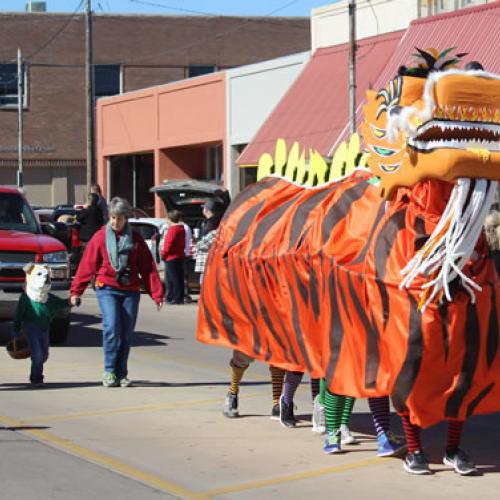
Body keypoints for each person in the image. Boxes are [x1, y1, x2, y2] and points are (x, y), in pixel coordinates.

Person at [70, 197, 164, 388]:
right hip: (107, 288)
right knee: (112, 328)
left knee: (126, 333)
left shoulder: (135, 239)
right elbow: (87, 265)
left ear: (126, 218)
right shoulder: (100, 236)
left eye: (119, 218)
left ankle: (122, 373)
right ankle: (109, 371)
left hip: (130, 291)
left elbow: (147, 268)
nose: (115, 222)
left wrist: (157, 294)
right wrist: (76, 291)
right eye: (113, 217)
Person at [12, 263, 71, 387]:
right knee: (38, 354)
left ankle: (36, 363)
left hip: (45, 329)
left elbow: (62, 303)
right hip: (30, 328)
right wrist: (16, 330)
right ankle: (36, 377)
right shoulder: (26, 298)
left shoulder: (49, 298)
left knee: (44, 354)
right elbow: (19, 315)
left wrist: (72, 301)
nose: (45, 279)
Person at [194, 199, 223, 283]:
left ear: (206, 210)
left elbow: (203, 243)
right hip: (208, 260)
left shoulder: (212, 223)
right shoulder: (214, 221)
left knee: (204, 283)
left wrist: (196, 242)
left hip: (208, 260)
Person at [161, 210, 185, 305]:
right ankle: (180, 297)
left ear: (170, 219)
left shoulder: (172, 230)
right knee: (179, 278)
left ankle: (176, 298)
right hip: (179, 256)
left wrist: (163, 254)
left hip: (171, 257)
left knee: (173, 279)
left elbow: (168, 244)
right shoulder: (181, 229)